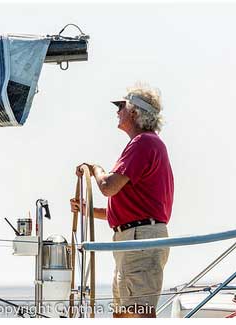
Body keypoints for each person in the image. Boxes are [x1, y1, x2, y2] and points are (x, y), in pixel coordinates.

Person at [70, 83, 174, 318]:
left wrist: (94, 168)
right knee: (126, 314)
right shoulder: (148, 144)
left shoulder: (143, 143)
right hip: (134, 238)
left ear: (135, 112)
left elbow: (107, 187)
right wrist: (86, 210)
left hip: (138, 241)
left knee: (136, 314)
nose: (117, 111)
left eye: (121, 106)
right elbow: (127, 212)